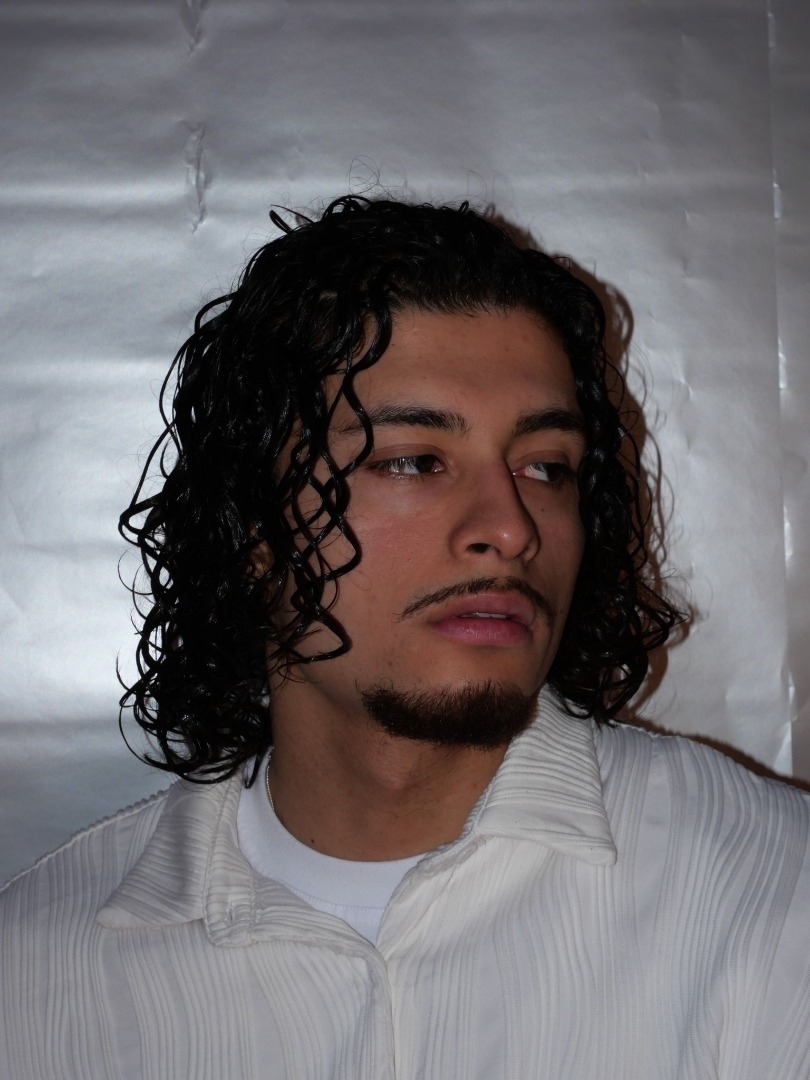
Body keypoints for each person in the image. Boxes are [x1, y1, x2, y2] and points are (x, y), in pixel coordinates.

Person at [1, 196, 808, 1079]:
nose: (511, 528)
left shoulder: (771, 892)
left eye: (546, 467)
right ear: (253, 530)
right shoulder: (36, 976)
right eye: (414, 461)